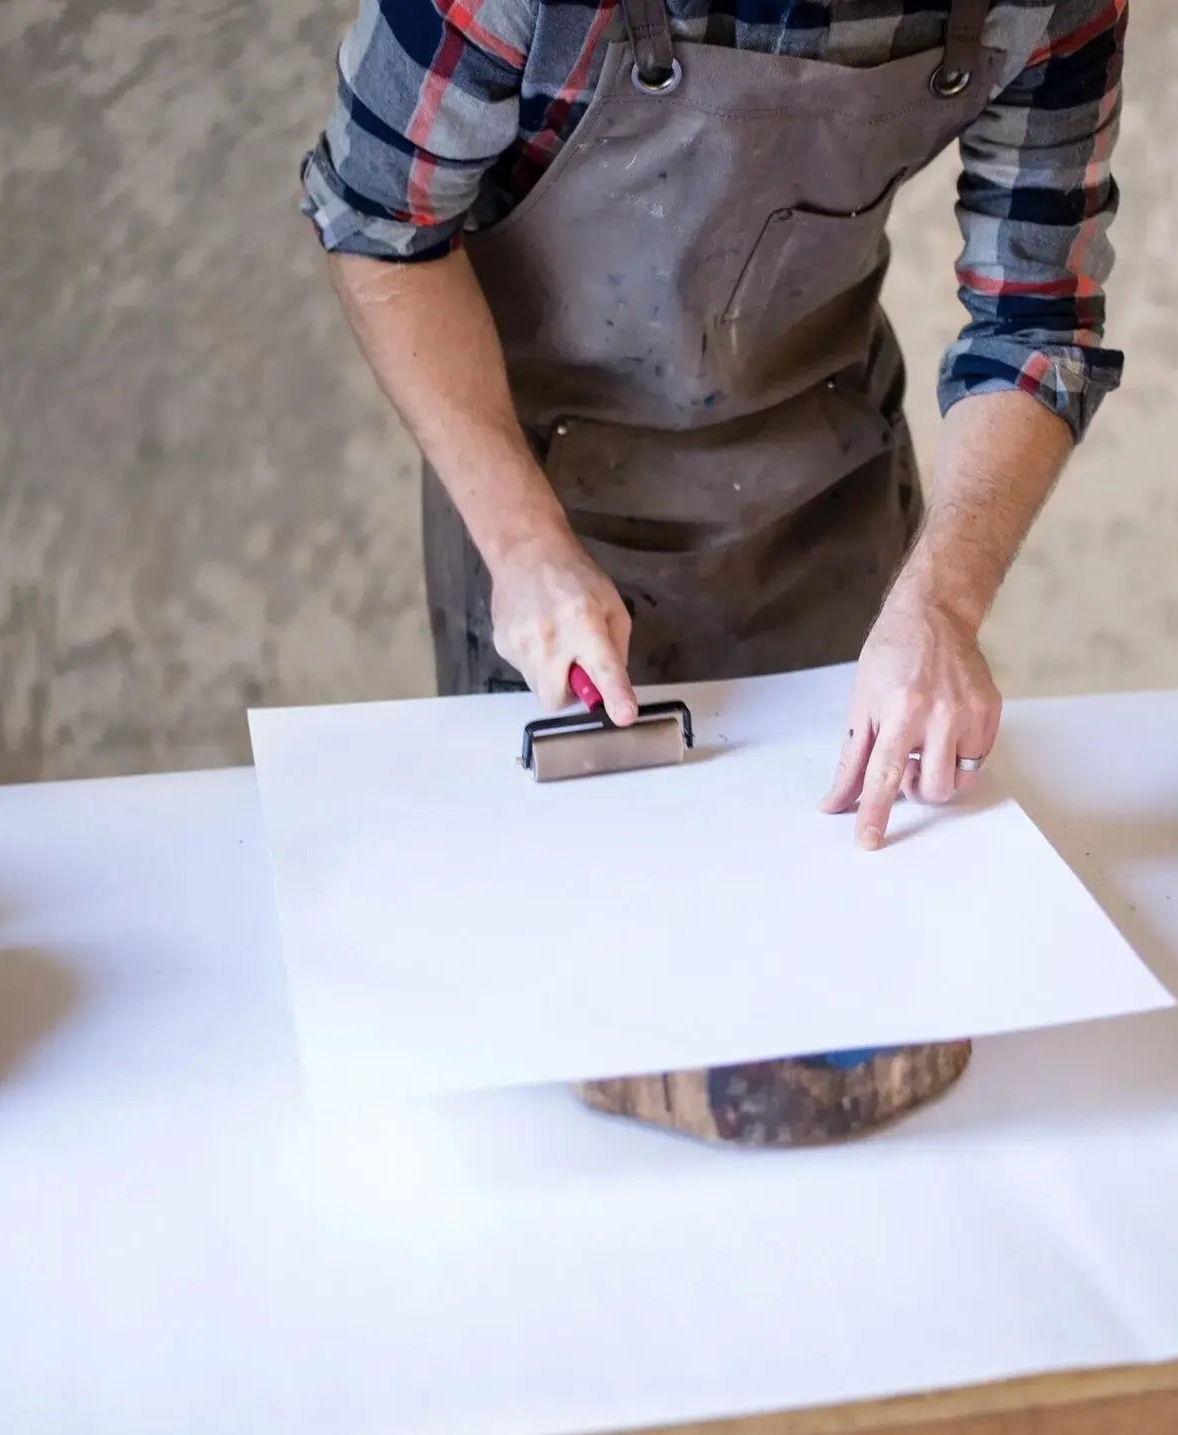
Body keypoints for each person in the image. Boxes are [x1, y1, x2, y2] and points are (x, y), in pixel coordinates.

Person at [302, 0, 1125, 848]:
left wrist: (941, 605)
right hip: (543, 504)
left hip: (831, 504)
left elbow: (1035, 321)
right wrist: (522, 547)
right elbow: (378, 222)